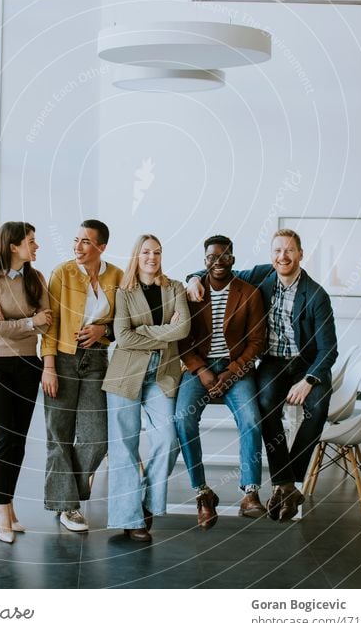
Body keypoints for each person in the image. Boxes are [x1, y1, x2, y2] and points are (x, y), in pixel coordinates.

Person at [187, 228, 338, 521]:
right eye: (278, 250)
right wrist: (192, 279)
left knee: (317, 408)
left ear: (301, 255)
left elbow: (328, 350)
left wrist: (308, 381)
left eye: (290, 250)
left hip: (307, 365)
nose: (283, 256)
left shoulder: (317, 295)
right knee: (266, 404)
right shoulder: (262, 275)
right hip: (273, 363)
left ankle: (286, 482)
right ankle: (285, 486)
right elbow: (217, 267)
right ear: (272, 255)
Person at [102, 234, 191, 542]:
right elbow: (123, 338)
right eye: (146, 252)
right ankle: (130, 517)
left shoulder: (175, 287)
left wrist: (145, 331)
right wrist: (165, 334)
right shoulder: (123, 292)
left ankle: (148, 503)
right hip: (125, 374)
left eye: (157, 252)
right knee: (124, 448)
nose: (152, 257)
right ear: (136, 256)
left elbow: (184, 328)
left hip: (162, 374)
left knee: (168, 439)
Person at [175, 235, 266, 529]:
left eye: (224, 256)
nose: (218, 262)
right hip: (198, 367)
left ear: (233, 260)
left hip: (236, 368)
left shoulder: (249, 293)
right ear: (204, 262)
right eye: (212, 257)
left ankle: (250, 493)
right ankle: (202, 493)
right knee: (182, 418)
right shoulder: (191, 292)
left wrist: (232, 372)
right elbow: (182, 339)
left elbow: (256, 341)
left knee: (251, 418)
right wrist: (200, 370)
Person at [41, 219, 123, 532]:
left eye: (86, 241)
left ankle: (66, 492)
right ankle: (68, 507)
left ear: (101, 246)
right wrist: (48, 366)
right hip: (62, 359)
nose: (77, 247)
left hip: (97, 359)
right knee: (58, 434)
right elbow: (49, 324)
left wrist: (105, 329)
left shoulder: (116, 276)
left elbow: (124, 320)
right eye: (76, 240)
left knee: (97, 437)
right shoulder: (61, 273)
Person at [0, 221, 52, 543]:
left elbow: (49, 324)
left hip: (27, 366)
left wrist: (16, 322)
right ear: (13, 246)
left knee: (18, 441)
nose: (36, 247)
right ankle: (0, 510)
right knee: (3, 438)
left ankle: (9, 507)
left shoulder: (36, 279)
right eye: (31, 242)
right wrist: (30, 321)